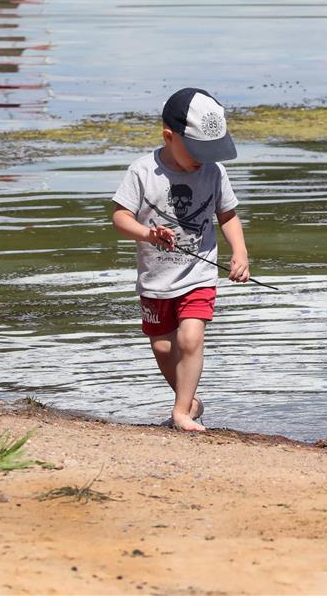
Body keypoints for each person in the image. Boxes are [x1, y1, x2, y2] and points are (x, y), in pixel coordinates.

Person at [112, 87, 250, 432]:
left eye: (212, 151)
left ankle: (180, 414)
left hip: (198, 274)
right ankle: (190, 401)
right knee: (162, 346)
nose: (204, 159)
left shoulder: (213, 173)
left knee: (190, 338)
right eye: (198, 150)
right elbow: (120, 217)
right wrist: (147, 234)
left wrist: (240, 252)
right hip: (155, 282)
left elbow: (228, 215)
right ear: (169, 137)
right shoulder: (143, 171)